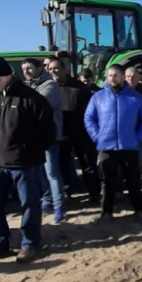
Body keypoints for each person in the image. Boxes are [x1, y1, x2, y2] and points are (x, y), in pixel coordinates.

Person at [0, 56, 56, 262]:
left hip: (24, 163)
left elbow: (48, 132)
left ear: (7, 75)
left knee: (29, 204)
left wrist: (30, 153)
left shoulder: (31, 99)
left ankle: (30, 244)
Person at [85, 63, 142, 222]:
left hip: (128, 145)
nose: (112, 78)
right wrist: (97, 136)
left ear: (122, 77)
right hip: (106, 146)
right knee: (108, 182)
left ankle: (139, 210)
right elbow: (89, 118)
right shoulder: (98, 97)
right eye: (109, 76)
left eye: (115, 75)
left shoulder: (134, 97)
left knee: (133, 180)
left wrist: (138, 136)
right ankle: (106, 212)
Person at [21, 58, 67, 222]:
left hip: (49, 136)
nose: (26, 71)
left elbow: (37, 104)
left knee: (52, 173)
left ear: (40, 68)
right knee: (39, 173)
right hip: (32, 137)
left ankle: (59, 207)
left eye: (30, 68)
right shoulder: (26, 86)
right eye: (24, 68)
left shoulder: (50, 86)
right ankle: (46, 201)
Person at [52, 58, 100, 202]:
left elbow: (92, 110)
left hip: (82, 134)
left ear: (64, 69)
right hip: (62, 134)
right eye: (50, 68)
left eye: (56, 68)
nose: (53, 71)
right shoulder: (50, 88)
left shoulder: (80, 88)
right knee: (62, 165)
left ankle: (94, 194)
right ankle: (67, 192)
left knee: (88, 165)